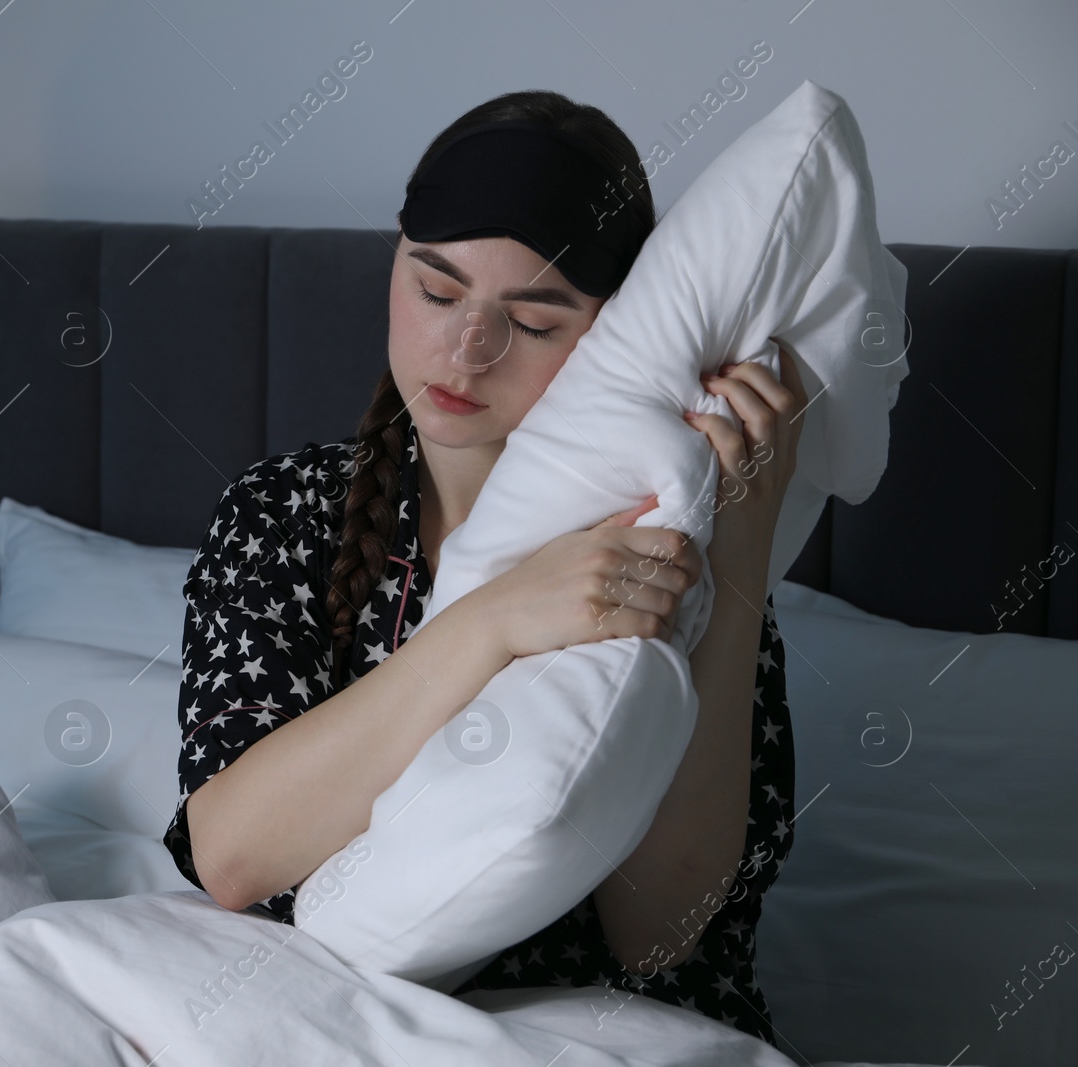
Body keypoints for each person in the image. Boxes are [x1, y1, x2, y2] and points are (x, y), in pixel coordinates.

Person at [161, 88, 806, 1048]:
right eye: (435, 289)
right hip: (329, 1026)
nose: (467, 350)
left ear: (613, 335)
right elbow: (234, 856)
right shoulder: (286, 515)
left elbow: (658, 936)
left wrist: (745, 546)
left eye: (536, 322)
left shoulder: (678, 556)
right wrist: (489, 623)